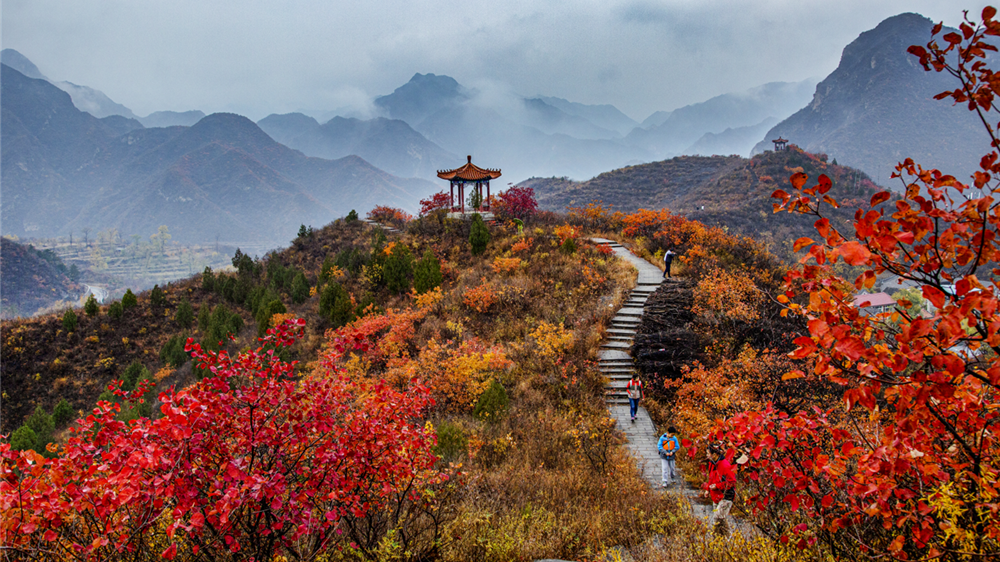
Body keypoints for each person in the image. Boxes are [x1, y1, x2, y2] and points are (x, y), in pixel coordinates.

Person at [706, 443, 737, 535]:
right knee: (720, 518)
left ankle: (718, 538)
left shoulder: (725, 466)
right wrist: (708, 489)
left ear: (715, 455)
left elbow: (732, 482)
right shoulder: (712, 463)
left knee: (718, 517)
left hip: (726, 495)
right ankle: (724, 540)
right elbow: (711, 478)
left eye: (708, 453)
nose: (707, 455)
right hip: (716, 495)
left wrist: (718, 486)